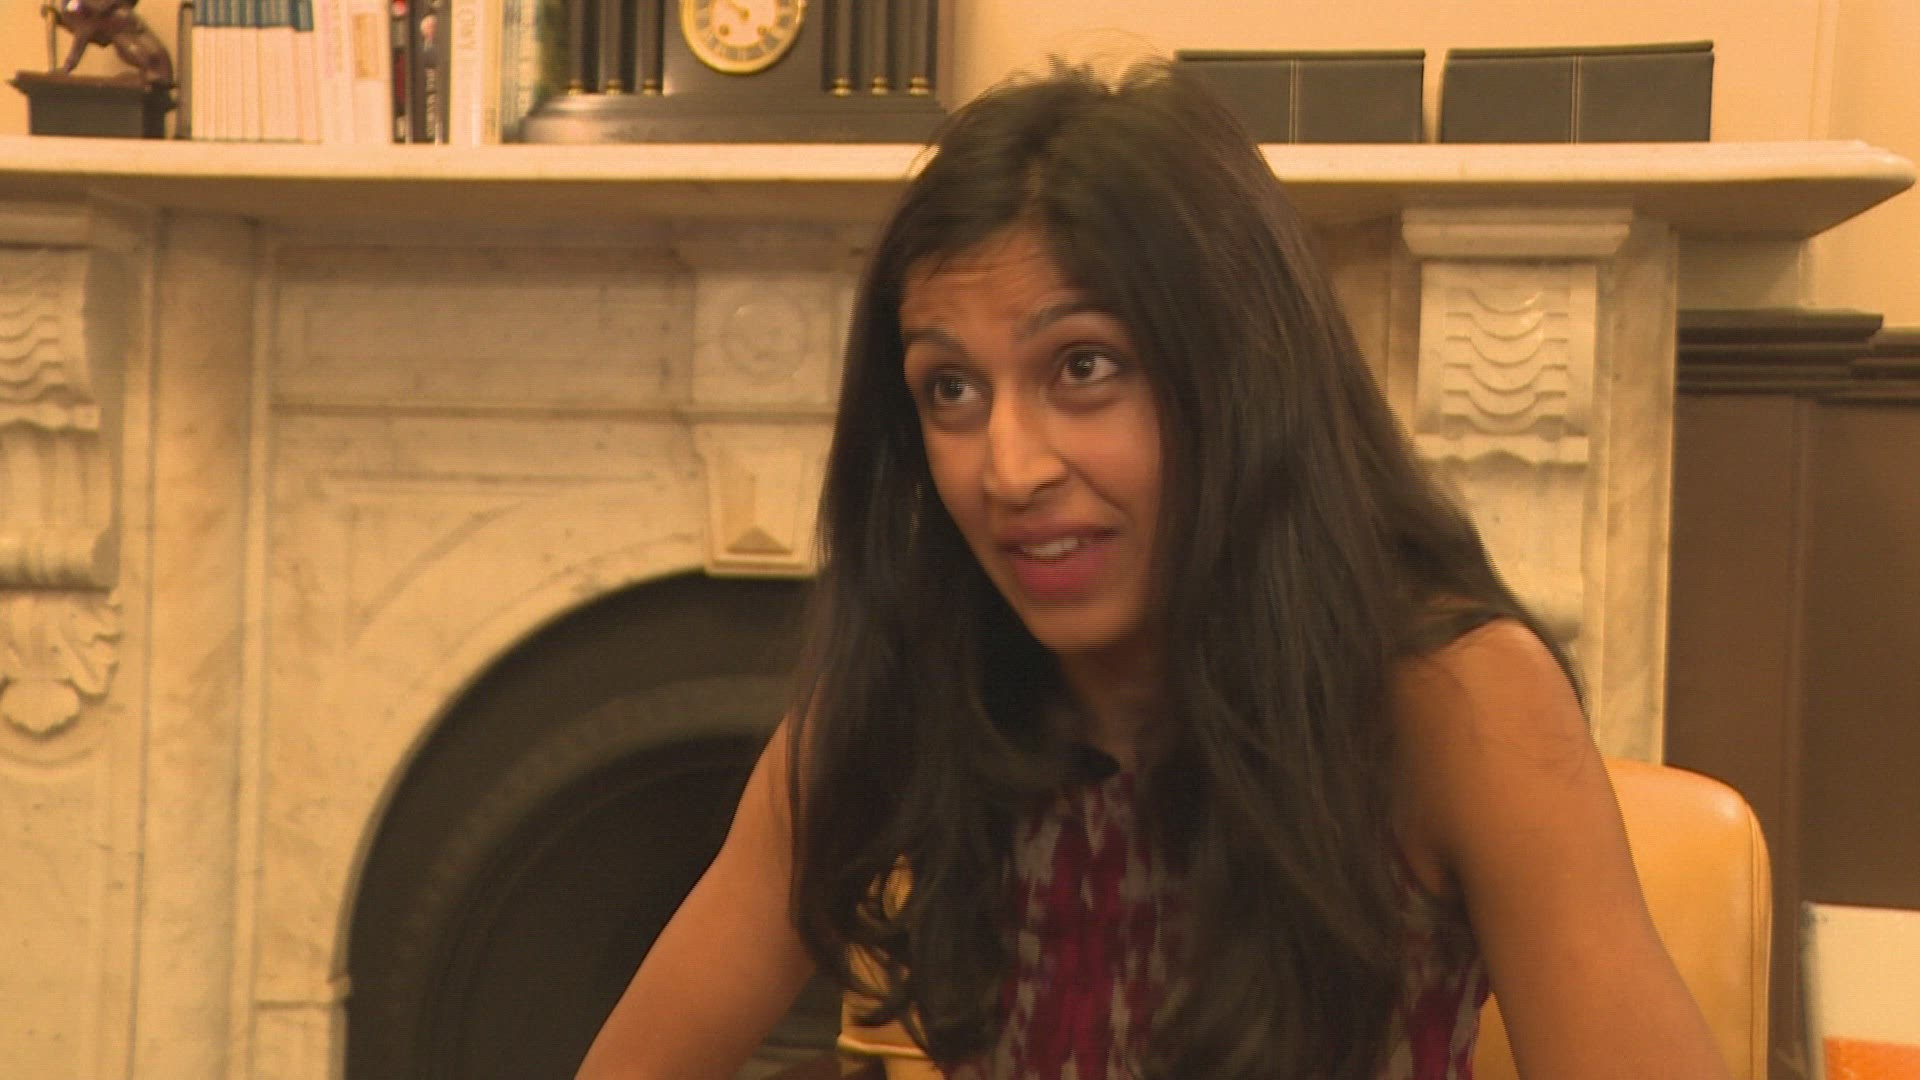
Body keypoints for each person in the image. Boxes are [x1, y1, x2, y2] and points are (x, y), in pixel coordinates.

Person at [576, 59, 1731, 1080]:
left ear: (1236, 381)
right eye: (952, 389)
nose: (1009, 469)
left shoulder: (1458, 701)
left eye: (1082, 367)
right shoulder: (903, 691)